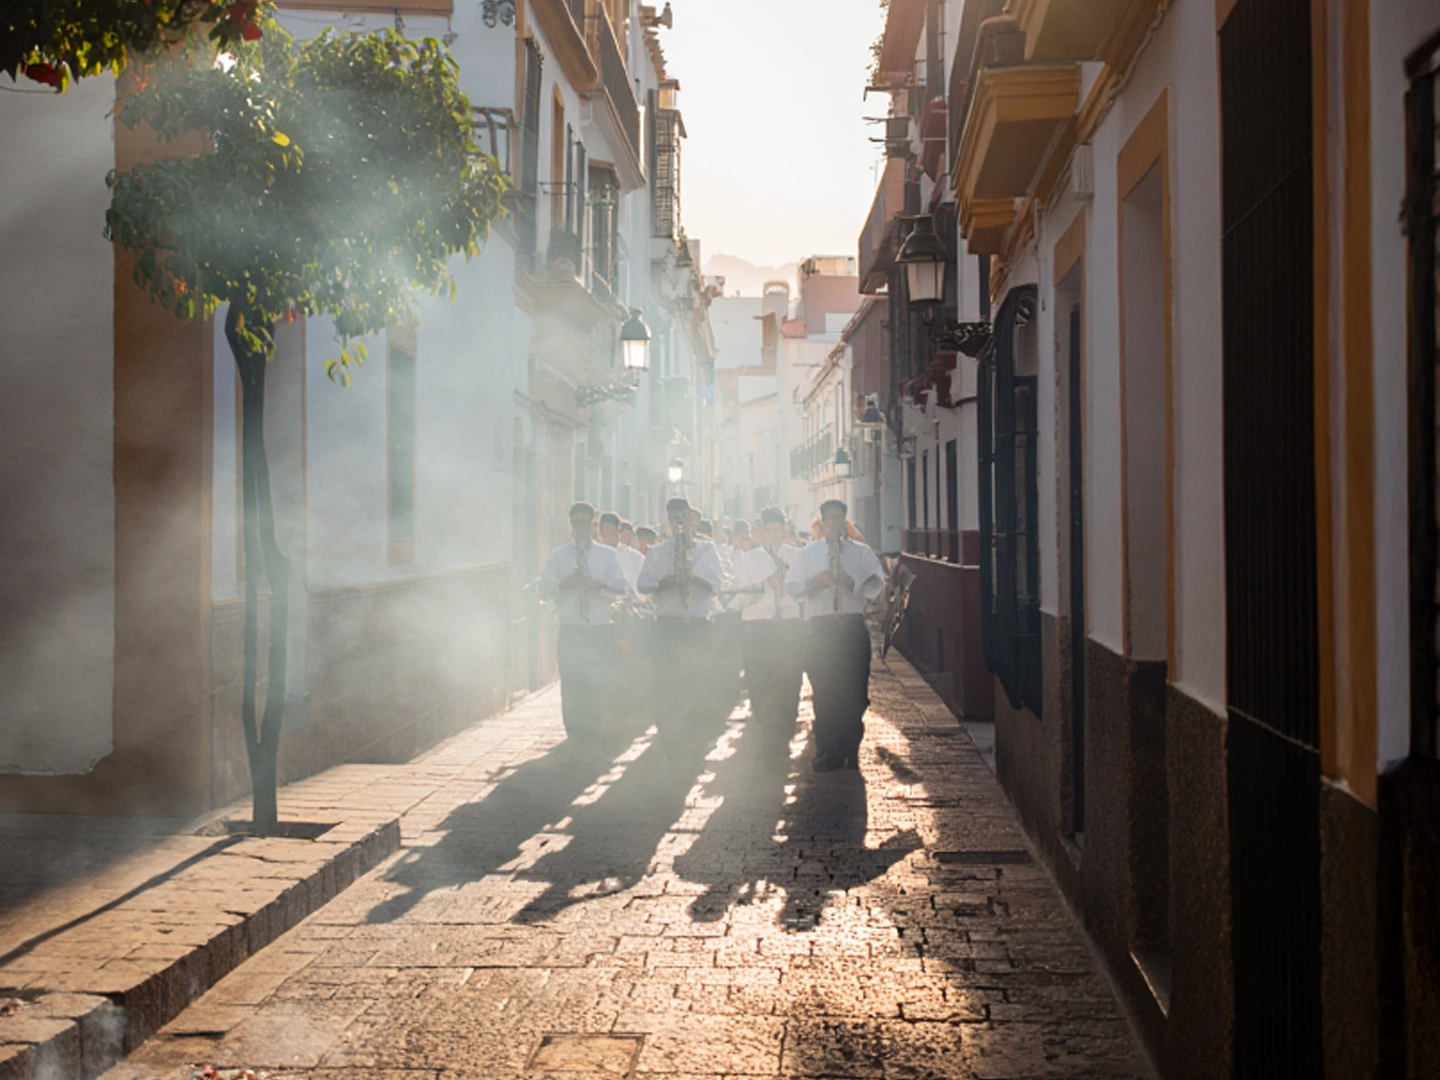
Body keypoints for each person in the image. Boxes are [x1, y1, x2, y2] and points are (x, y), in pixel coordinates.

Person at [788, 499, 885, 772]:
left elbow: (876, 585)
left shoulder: (861, 553)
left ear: (845, 521)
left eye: (839, 519)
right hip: (821, 628)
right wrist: (814, 585)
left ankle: (850, 750)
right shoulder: (808, 554)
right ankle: (828, 751)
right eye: (829, 519)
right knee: (825, 690)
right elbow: (793, 587)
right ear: (821, 522)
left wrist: (849, 582)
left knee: (855, 692)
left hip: (851, 626)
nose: (834, 524)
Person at [637, 498, 727, 754]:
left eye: (683, 518)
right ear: (669, 521)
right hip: (668, 625)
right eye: (674, 518)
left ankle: (696, 737)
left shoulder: (706, 550)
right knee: (667, 683)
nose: (679, 523)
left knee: (698, 680)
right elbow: (643, 586)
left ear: (691, 520)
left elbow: (718, 585)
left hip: (697, 625)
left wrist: (694, 578)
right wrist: (666, 582)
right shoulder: (657, 552)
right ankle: (670, 738)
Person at [537, 502, 631, 745]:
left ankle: (597, 733)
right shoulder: (559, 555)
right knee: (572, 683)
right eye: (575, 523)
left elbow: (623, 588)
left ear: (593, 525)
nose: (580, 528)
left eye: (585, 523)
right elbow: (542, 590)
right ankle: (576, 735)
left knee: (598, 682)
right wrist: (563, 584)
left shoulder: (607, 555)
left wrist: (600, 584)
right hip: (572, 630)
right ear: (571, 526)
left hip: (599, 629)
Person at [734, 507, 805, 743]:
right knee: (760, 680)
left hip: (789, 624)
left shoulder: (795, 555)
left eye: (779, 529)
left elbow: (802, 587)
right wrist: (769, 579)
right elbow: (760, 587)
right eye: (770, 529)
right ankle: (765, 728)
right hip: (760, 626)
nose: (775, 534)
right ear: (761, 530)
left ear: (785, 528)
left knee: (790, 677)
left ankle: (785, 727)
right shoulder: (749, 558)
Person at [600, 511, 643, 591]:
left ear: (618, 531)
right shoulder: (596, 555)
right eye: (606, 531)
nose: (609, 535)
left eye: (612, 531)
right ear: (601, 532)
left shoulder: (634, 557)